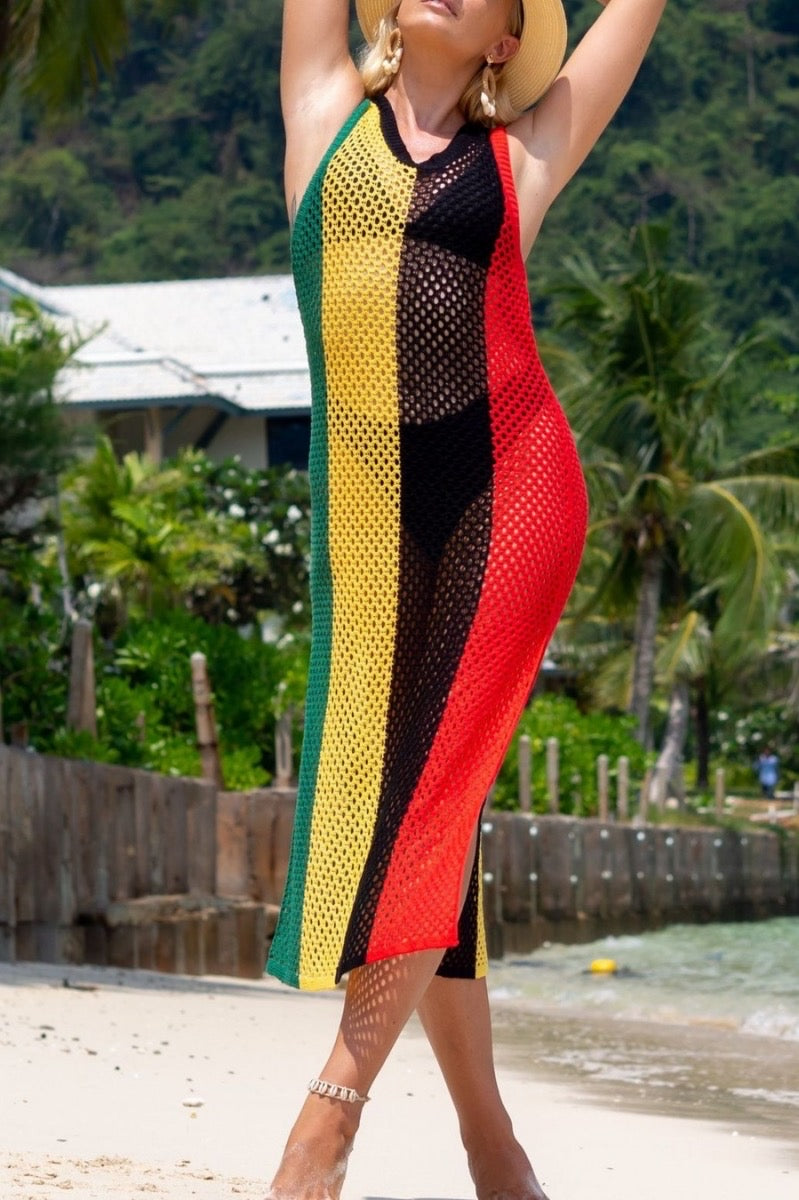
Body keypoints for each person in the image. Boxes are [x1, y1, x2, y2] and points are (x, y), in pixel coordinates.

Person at [267, 3, 668, 1198]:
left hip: (513, 493)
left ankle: (329, 1117)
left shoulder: (522, 155)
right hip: (373, 513)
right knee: (410, 820)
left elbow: (627, 24)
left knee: (431, 803)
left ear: (504, 37)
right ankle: (494, 1151)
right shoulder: (323, 111)